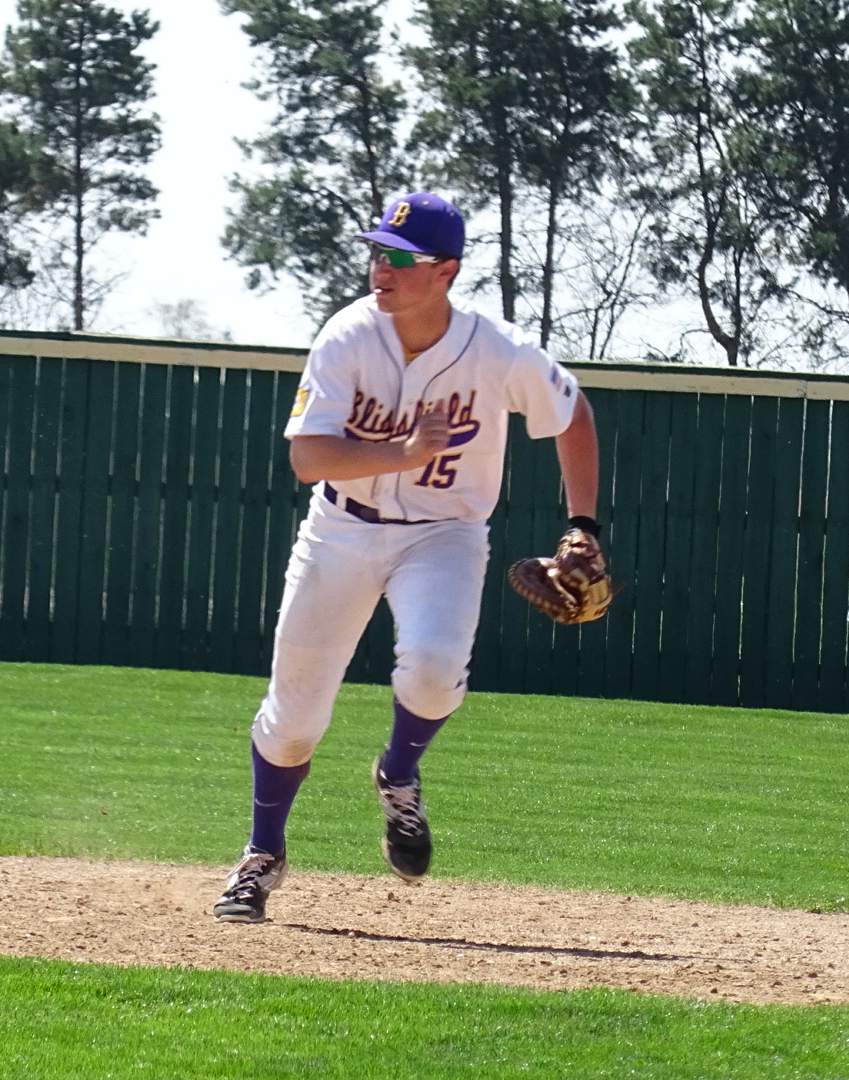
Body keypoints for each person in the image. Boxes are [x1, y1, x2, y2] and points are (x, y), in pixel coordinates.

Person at [212, 191, 602, 923]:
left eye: (399, 257)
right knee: (294, 716)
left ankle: (398, 773)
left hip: (443, 535)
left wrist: (583, 525)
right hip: (341, 528)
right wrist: (404, 450)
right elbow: (307, 459)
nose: (380, 268)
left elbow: (572, 413)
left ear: (445, 271)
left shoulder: (497, 349)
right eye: (376, 252)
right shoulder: (347, 335)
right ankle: (263, 852)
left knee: (432, 667)